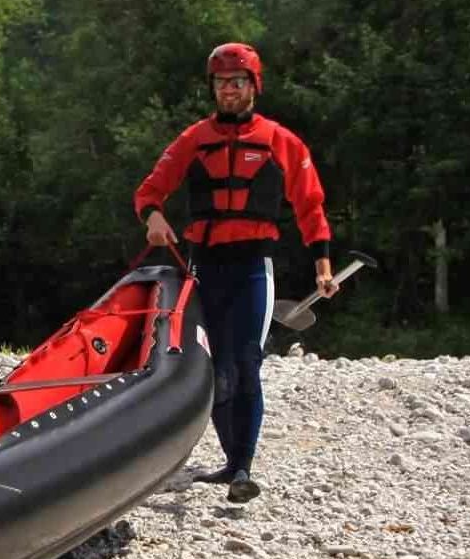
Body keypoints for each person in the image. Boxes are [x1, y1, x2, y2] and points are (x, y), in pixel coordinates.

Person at [133, 42, 337, 505]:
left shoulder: (281, 142)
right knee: (215, 368)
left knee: (245, 361)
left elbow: (310, 205)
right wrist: (152, 216)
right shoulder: (193, 140)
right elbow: (149, 191)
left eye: (238, 82)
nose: (230, 90)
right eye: (223, 83)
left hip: (251, 270)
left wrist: (322, 265)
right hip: (202, 266)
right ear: (214, 88)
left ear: (254, 87)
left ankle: (243, 467)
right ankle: (229, 462)